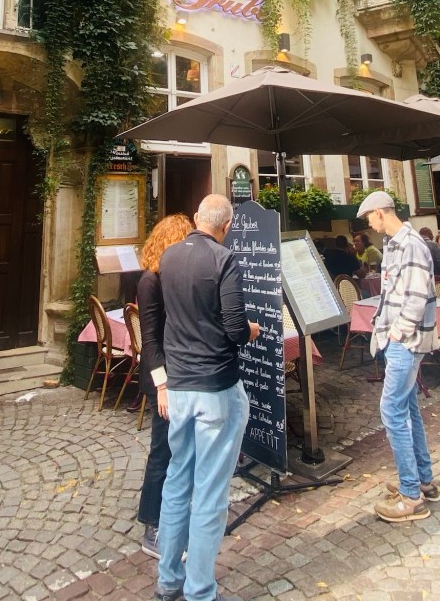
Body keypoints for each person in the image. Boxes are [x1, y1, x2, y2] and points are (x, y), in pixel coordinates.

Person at [155, 195, 259, 601]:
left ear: (197, 218)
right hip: (215, 386)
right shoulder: (223, 259)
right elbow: (234, 328)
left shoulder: (168, 257)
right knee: (211, 492)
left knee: (177, 480)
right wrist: (251, 330)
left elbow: (170, 317)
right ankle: (199, 590)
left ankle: (168, 580)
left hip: (179, 386)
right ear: (227, 226)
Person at [357, 190, 439, 523]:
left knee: (391, 410)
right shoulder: (392, 244)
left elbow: (416, 297)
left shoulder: (411, 245)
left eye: (369, 218)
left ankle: (410, 496)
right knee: (409, 408)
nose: (369, 225)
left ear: (380, 212)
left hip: (406, 340)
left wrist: (397, 333)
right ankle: (423, 480)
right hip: (397, 338)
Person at [136, 213, 194, 560]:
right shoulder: (150, 281)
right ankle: (152, 525)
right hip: (162, 379)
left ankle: (173, 514)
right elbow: (150, 340)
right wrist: (162, 386)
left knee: (178, 449)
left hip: (179, 374)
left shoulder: (170, 279)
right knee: (161, 450)